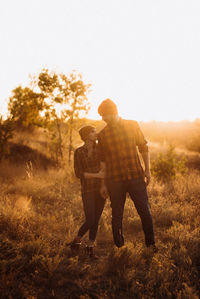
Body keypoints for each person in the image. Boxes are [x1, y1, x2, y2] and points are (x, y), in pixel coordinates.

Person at [97, 99, 157, 252]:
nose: (103, 119)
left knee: (144, 211)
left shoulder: (132, 125)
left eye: (104, 116)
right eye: (101, 117)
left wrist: (147, 170)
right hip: (115, 180)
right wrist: (103, 184)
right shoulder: (102, 134)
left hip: (136, 176)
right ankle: (119, 248)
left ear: (113, 112)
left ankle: (150, 244)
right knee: (117, 214)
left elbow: (143, 147)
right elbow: (102, 161)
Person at [69, 125, 106, 258]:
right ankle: (77, 240)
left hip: (101, 189)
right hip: (87, 189)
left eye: (95, 131)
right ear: (86, 135)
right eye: (92, 131)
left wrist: (103, 184)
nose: (95, 133)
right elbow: (78, 173)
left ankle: (90, 248)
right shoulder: (79, 152)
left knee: (96, 220)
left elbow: (104, 169)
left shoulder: (100, 150)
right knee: (90, 219)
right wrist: (97, 175)